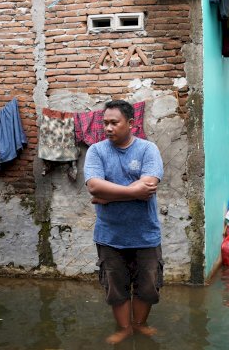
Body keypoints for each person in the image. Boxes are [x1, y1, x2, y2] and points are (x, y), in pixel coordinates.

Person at [84, 100, 164, 345]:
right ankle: (125, 328)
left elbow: (149, 184)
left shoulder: (148, 149)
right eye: (105, 123)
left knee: (148, 286)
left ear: (131, 123)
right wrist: (131, 193)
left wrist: (106, 198)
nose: (108, 128)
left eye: (114, 123)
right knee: (115, 286)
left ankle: (139, 325)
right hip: (110, 235)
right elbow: (94, 185)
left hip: (145, 234)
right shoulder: (96, 151)